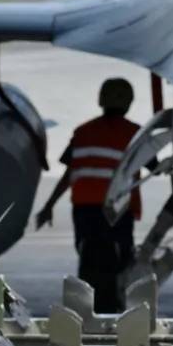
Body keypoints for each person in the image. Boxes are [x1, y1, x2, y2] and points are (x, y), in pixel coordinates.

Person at [36, 78, 142, 313]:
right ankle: (115, 311)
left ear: (101, 100)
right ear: (129, 103)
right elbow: (152, 164)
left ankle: (86, 310)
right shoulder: (135, 134)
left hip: (84, 209)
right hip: (117, 209)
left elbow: (69, 173)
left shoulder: (82, 132)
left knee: (88, 259)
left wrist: (49, 205)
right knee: (120, 263)